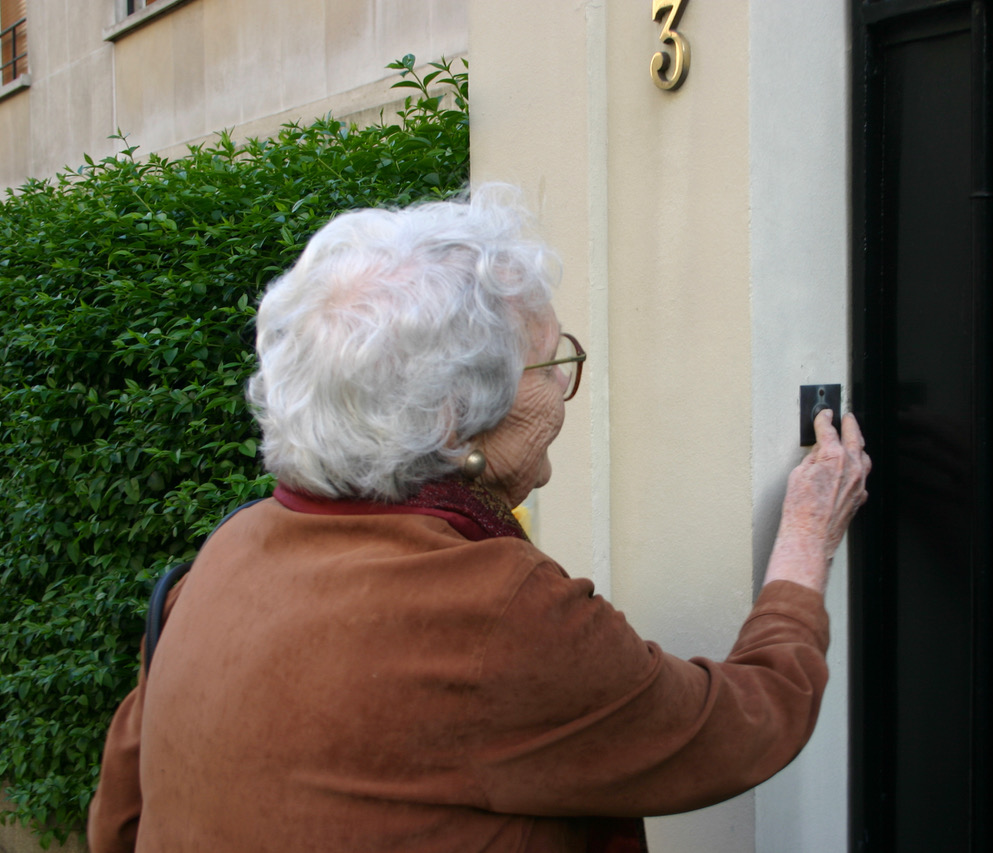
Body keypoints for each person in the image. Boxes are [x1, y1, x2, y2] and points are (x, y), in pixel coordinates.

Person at [87, 186, 871, 853]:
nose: (564, 389)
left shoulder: (227, 553)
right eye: (550, 363)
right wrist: (804, 538)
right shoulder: (492, 606)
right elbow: (742, 723)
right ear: (455, 421)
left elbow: (117, 822)